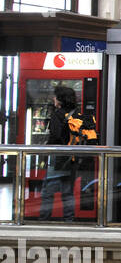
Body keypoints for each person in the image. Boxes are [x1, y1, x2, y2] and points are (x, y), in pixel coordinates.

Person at [39, 86, 79, 221]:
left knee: (47, 192)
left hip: (58, 158)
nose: (53, 99)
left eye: (55, 96)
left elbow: (55, 136)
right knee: (67, 192)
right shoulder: (77, 113)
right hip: (73, 158)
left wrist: (45, 149)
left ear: (60, 99)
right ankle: (69, 220)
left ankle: (44, 219)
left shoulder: (58, 115)